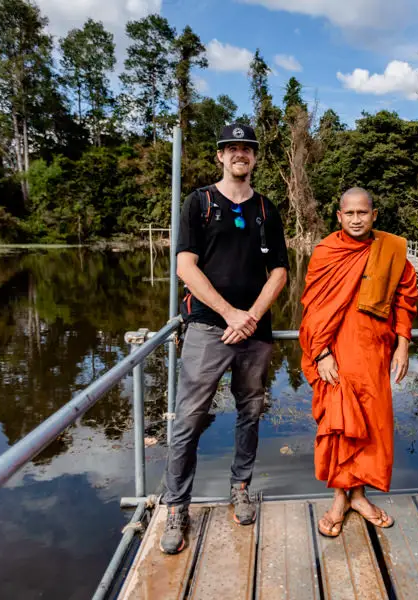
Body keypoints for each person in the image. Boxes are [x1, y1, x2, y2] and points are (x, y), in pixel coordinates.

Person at [160, 123, 290, 554]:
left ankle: (241, 486)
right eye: (231, 148)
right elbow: (186, 267)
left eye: (247, 149)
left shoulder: (267, 209)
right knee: (188, 420)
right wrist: (229, 313)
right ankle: (177, 506)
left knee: (249, 412)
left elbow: (279, 273)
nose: (240, 154)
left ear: (254, 157)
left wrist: (251, 316)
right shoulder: (199, 202)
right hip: (206, 328)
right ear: (220, 156)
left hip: (255, 332)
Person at [299, 187, 418, 537]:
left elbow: (405, 298)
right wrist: (320, 353)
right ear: (339, 216)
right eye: (349, 213)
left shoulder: (391, 250)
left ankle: (360, 496)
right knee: (339, 425)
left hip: (375, 352)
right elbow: (313, 308)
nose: (355, 219)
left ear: (374, 215)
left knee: (371, 424)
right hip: (335, 353)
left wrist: (403, 344)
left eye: (362, 213)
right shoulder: (326, 252)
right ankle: (340, 498)